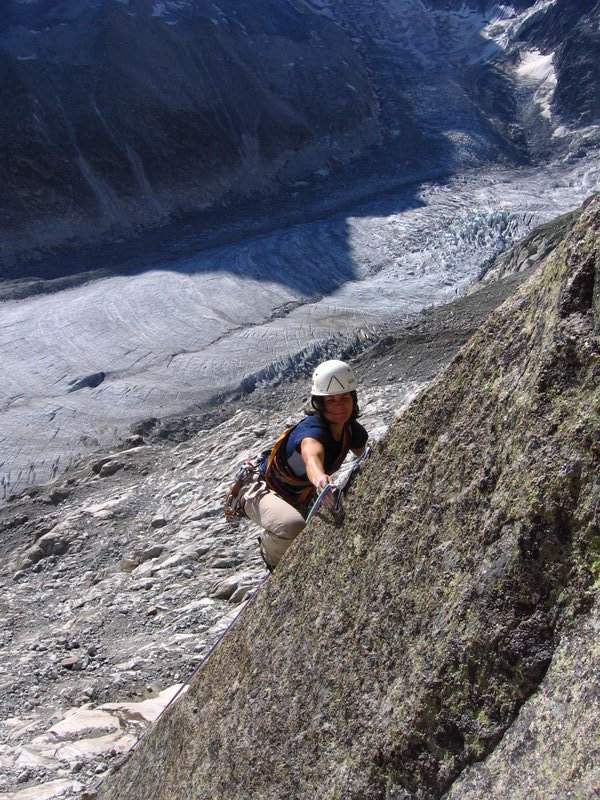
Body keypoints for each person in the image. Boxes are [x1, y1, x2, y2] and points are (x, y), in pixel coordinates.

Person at [238, 359, 368, 571]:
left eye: (344, 398)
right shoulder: (312, 433)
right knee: (292, 526)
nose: (339, 405)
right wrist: (320, 479)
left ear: (353, 399)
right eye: (331, 400)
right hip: (261, 488)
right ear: (320, 403)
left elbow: (365, 454)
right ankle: (270, 556)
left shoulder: (351, 430)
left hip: (298, 494)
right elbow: (311, 458)